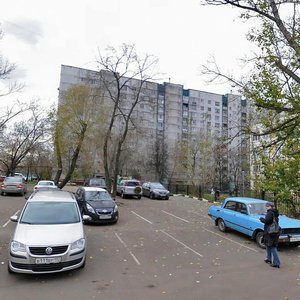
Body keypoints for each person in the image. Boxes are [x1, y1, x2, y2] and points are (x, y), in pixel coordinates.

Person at [259, 202, 281, 268]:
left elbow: (266, 221)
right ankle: (269, 259)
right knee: (268, 245)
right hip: (274, 232)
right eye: (266, 206)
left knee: (272, 247)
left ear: (270, 206)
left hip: (270, 232)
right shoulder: (275, 213)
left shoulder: (270, 213)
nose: (266, 207)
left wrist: (261, 219)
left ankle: (277, 263)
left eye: (267, 206)